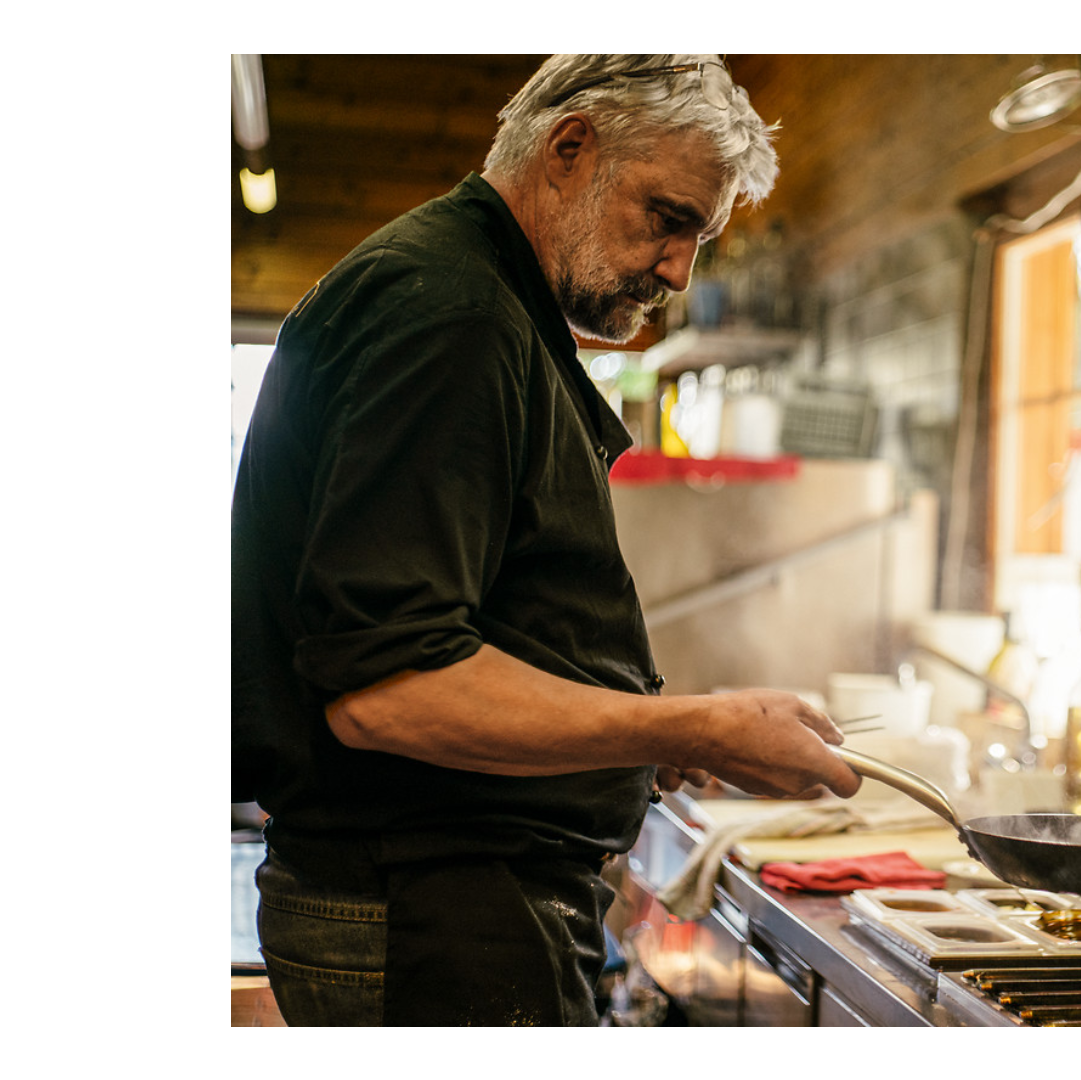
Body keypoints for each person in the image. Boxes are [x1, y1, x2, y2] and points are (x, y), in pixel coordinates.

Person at [230, 54, 861, 1027]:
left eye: (702, 238)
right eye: (669, 218)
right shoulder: (452, 312)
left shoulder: (482, 301)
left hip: (455, 907)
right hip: (430, 917)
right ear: (571, 148)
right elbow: (390, 691)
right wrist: (685, 726)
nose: (680, 271)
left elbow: (480, 637)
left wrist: (625, 737)